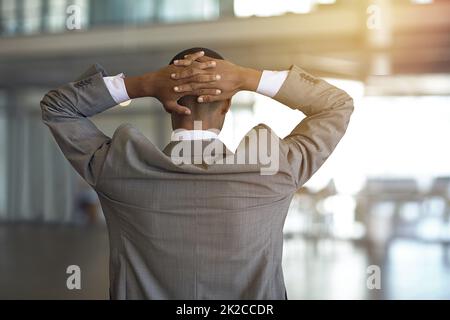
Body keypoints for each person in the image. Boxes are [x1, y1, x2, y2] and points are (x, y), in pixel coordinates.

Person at [40, 47, 354, 299]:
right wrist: (248, 78)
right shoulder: (275, 169)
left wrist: (144, 84)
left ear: (168, 104)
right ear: (227, 105)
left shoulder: (117, 167)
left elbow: (57, 107)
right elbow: (337, 104)